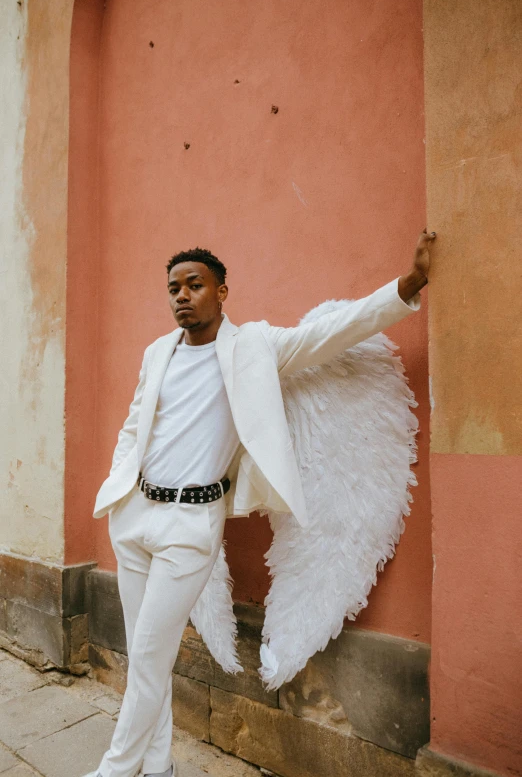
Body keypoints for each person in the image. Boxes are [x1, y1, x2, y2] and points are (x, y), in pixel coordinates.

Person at [85, 230, 436, 777]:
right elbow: (136, 427)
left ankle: (115, 769)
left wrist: (407, 286)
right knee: (146, 658)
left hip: (190, 526)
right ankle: (158, 767)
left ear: (222, 291)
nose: (181, 295)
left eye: (194, 284)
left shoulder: (256, 348)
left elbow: (333, 333)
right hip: (134, 516)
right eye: (173, 287)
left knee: (150, 660)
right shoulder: (158, 352)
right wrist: (118, 486)